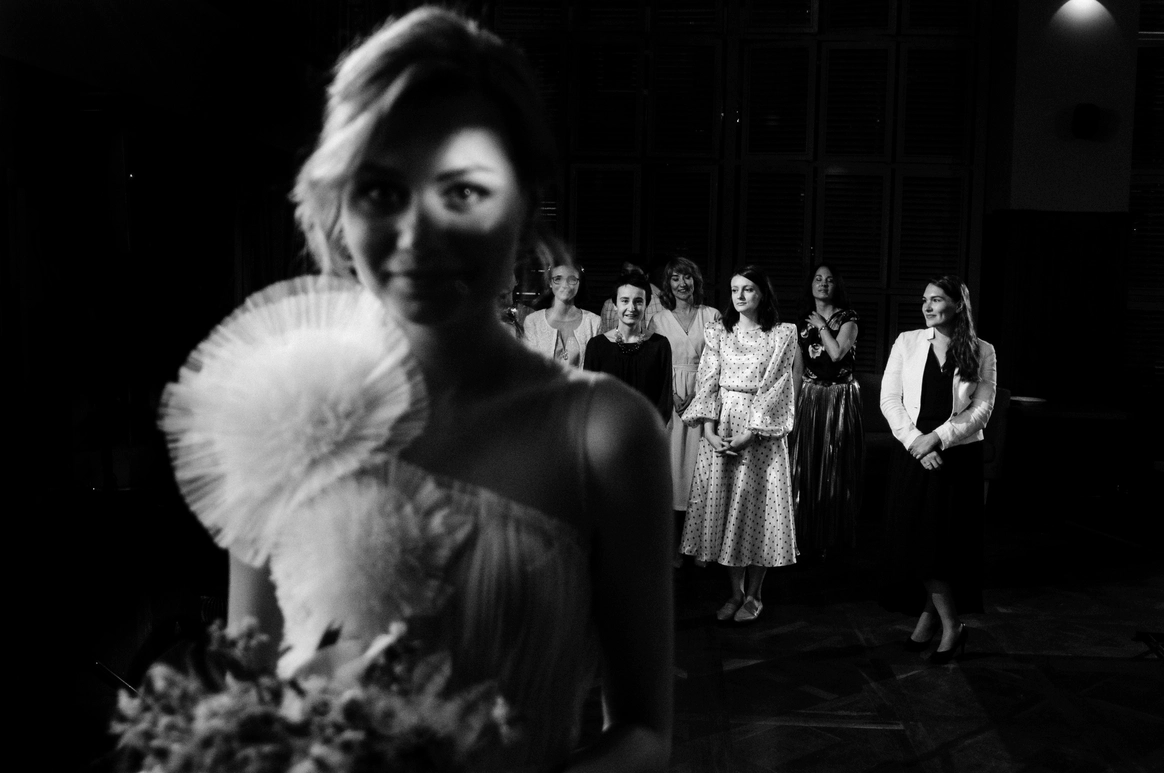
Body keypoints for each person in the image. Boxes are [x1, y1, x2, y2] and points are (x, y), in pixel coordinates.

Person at [161, 8, 673, 771]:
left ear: (523, 199)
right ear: (338, 205)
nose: (417, 234)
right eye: (380, 189)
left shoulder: (606, 433)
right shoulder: (278, 408)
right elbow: (250, 707)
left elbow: (645, 730)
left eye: (461, 190)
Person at [879, 275, 996, 665]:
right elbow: (889, 399)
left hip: (957, 456)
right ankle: (948, 624)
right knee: (917, 543)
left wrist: (938, 438)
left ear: (957, 305)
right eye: (924, 300)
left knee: (942, 546)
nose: (927, 306)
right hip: (913, 452)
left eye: (936, 299)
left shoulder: (982, 350)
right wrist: (917, 442)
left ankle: (941, 624)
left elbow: (982, 410)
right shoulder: (907, 342)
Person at [679, 265, 802, 623]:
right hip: (723, 422)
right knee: (726, 509)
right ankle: (734, 593)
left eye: (748, 289)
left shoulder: (781, 334)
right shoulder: (719, 331)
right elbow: (707, 381)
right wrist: (709, 430)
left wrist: (752, 431)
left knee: (756, 510)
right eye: (735, 289)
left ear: (762, 293)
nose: (740, 296)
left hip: (760, 430)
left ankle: (755, 595)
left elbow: (778, 385)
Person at [789, 264, 864, 559]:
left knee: (834, 466)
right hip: (810, 396)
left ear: (837, 286)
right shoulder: (800, 323)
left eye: (829, 280)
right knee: (805, 465)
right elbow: (798, 370)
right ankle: (804, 535)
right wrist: (793, 409)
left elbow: (836, 353)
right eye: (818, 279)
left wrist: (821, 325)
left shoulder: (849, 319)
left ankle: (832, 537)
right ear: (811, 285)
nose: (823, 284)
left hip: (840, 398)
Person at [652, 257, 720, 566]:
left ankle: (700, 547)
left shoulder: (712, 315)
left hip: (704, 398)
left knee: (700, 473)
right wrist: (673, 394)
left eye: (687, 277)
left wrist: (696, 393)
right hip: (670, 399)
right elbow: (655, 362)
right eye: (676, 278)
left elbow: (719, 359)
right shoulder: (658, 319)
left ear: (696, 281)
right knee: (672, 472)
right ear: (668, 285)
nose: (682, 283)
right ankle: (672, 546)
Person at [583, 269, 673, 422]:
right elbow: (589, 397)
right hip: (606, 430)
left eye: (638, 301)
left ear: (646, 305)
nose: (631, 308)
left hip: (648, 430)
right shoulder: (597, 346)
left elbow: (664, 401)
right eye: (625, 301)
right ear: (615, 305)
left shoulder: (659, 345)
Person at [522, 237, 601, 367]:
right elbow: (529, 366)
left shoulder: (594, 322)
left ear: (579, 283)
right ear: (550, 283)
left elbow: (597, 366)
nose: (565, 285)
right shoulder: (533, 321)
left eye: (572, 279)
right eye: (558, 279)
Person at [599, 261, 664, 334]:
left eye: (634, 273)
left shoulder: (662, 303)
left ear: (646, 276)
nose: (629, 276)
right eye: (625, 273)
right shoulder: (609, 304)